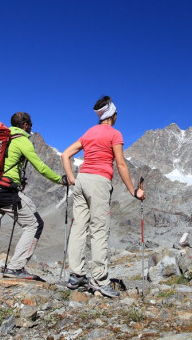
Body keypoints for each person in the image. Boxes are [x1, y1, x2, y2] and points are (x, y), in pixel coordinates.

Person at [0, 112, 66, 294]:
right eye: (30, 124)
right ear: (25, 125)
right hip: (7, 192)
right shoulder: (22, 141)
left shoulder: (3, 138)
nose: (31, 127)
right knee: (34, 224)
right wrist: (60, 180)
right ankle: (15, 267)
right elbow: (40, 166)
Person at [61, 96, 145, 298]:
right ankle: (99, 279)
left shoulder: (89, 132)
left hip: (82, 180)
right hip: (99, 182)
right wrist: (133, 191)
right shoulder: (114, 134)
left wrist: (72, 178)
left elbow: (65, 154)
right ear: (113, 115)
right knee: (99, 230)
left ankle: (76, 275)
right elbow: (121, 164)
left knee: (79, 227)